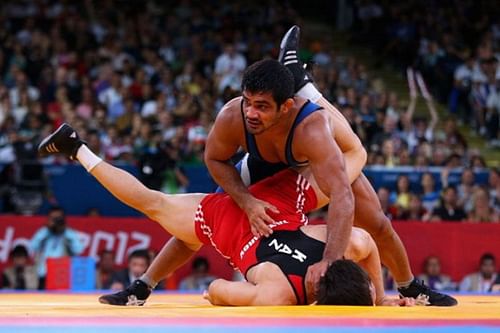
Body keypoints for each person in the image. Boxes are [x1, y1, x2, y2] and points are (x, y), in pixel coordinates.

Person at [91, 26, 456, 307]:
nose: (252, 112)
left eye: (263, 106)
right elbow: (215, 160)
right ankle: (143, 285)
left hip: (303, 169)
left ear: (286, 106)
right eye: (249, 102)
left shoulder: (311, 128)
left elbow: (342, 199)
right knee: (206, 222)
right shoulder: (234, 115)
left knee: (372, 209)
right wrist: (247, 202)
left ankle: (410, 286)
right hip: (259, 172)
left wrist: (330, 264)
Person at [37, 123, 416, 306]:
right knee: (151, 202)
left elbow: (366, 249)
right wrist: (380, 300)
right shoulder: (276, 296)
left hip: (280, 197)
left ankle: (305, 91)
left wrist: (378, 296)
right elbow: (214, 290)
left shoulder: (349, 246)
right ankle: (79, 150)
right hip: (228, 221)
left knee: (356, 155)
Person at [30, 205, 84, 289]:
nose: (56, 221)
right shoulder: (43, 232)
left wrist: (65, 230)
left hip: (62, 276)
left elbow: (78, 250)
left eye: (58, 218)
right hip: (44, 275)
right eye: (53, 218)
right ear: (48, 219)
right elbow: (32, 248)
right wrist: (47, 230)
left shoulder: (69, 233)